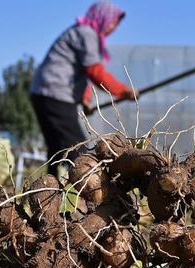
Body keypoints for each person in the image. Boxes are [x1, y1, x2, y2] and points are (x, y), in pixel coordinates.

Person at [30, 1, 136, 175]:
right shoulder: (87, 34)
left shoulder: (83, 33)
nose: (113, 28)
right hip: (54, 93)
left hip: (44, 92)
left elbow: (80, 72)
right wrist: (124, 90)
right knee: (77, 147)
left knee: (57, 148)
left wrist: (85, 98)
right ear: (102, 17)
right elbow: (94, 72)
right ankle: (91, 187)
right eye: (112, 22)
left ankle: (49, 193)